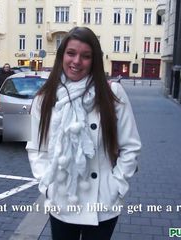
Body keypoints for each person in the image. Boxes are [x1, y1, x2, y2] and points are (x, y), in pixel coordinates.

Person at [26, 27, 141, 240]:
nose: (77, 61)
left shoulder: (112, 94)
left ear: (94, 61)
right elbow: (36, 148)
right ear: (62, 56)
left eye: (86, 56)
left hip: (102, 202)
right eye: (71, 53)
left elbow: (131, 146)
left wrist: (117, 186)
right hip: (62, 199)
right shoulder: (45, 98)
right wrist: (47, 186)